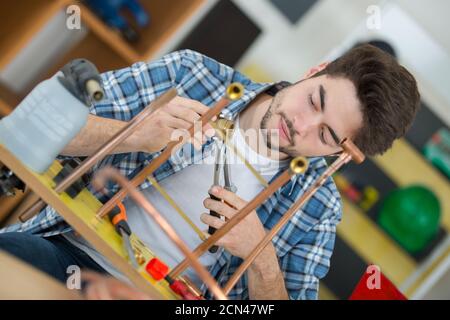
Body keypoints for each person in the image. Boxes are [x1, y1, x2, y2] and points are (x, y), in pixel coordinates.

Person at [0, 44, 420, 300]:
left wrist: (261, 258)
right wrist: (133, 133)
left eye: (326, 136)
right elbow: (40, 128)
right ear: (314, 71)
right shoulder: (193, 75)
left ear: (342, 152)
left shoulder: (320, 207)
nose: (301, 126)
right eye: (314, 101)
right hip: (68, 254)